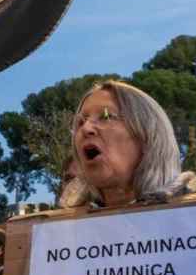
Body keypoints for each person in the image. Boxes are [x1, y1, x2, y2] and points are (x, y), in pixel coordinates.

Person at [65, 80, 188, 208]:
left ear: (147, 135)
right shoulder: (60, 226)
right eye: (80, 122)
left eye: (106, 116)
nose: (85, 128)